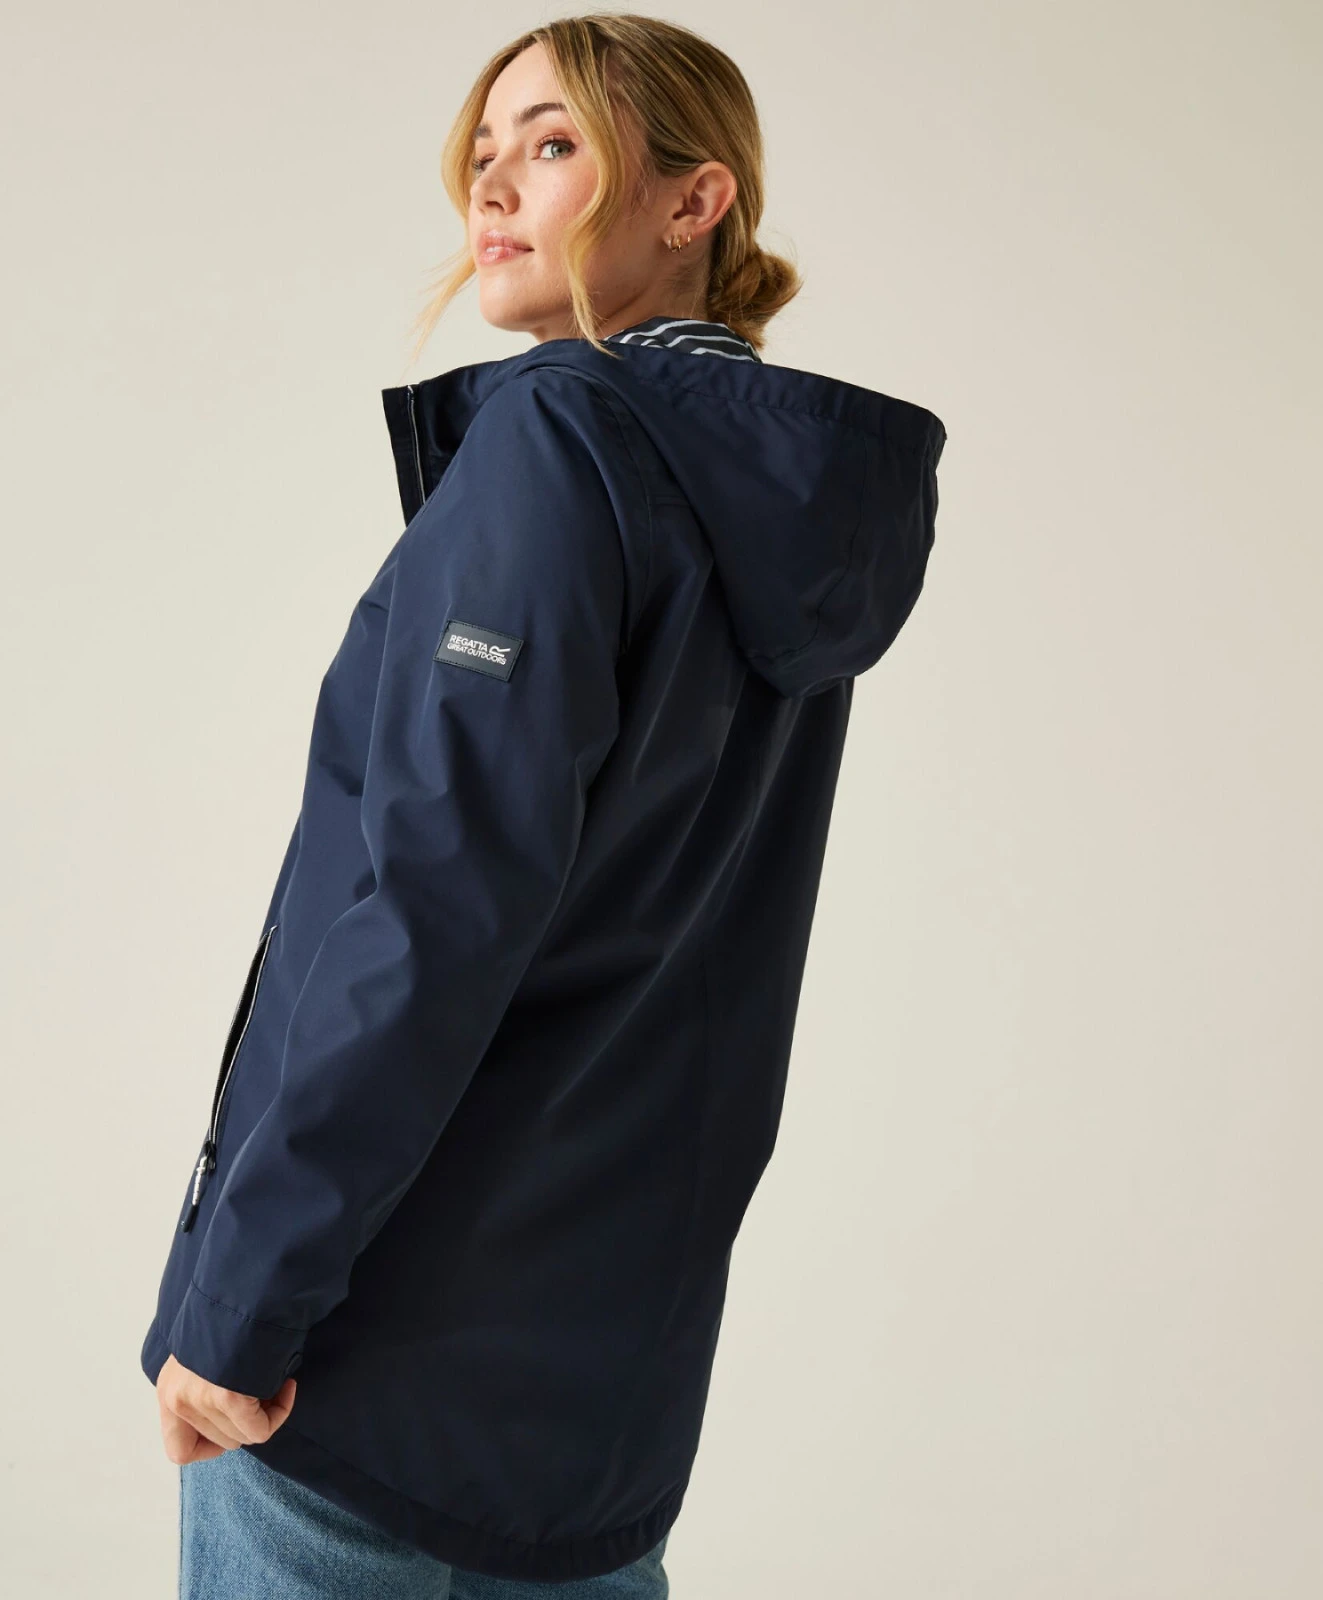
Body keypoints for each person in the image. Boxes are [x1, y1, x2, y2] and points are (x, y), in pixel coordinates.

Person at [141, 14, 947, 1596]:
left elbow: (436, 909)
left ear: (694, 201)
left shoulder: (558, 439)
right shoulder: (778, 511)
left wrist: (238, 1305)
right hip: (601, 1420)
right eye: (484, 152)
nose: (493, 188)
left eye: (554, 144)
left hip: (359, 1376)